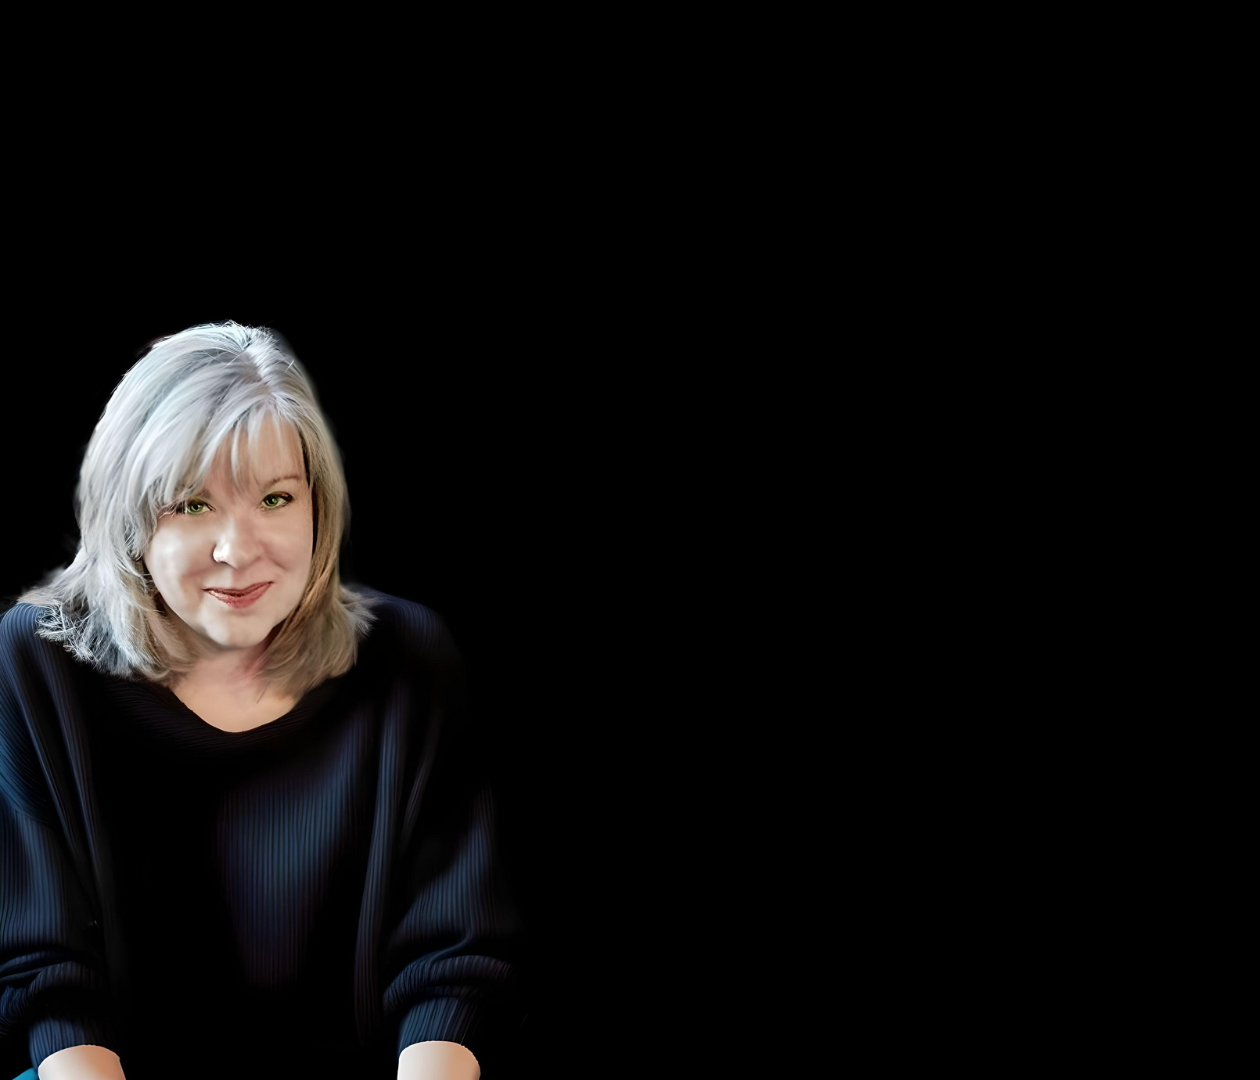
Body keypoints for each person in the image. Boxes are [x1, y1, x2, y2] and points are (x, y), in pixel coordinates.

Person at [0, 322, 525, 1080]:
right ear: (128, 517)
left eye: (276, 498)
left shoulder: (411, 657)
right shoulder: (38, 658)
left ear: (318, 504)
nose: (239, 551)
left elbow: (454, 961)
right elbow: (45, 971)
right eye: (191, 505)